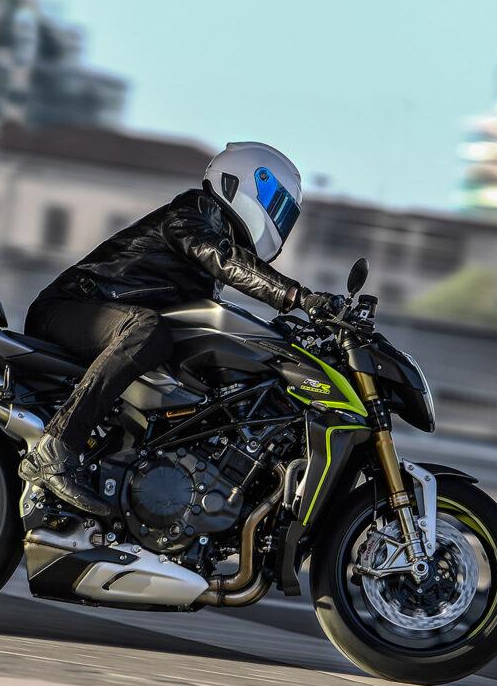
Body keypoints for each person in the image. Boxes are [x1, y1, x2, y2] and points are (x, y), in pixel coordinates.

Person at [19, 142, 343, 515]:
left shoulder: (209, 255)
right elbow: (222, 257)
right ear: (242, 182)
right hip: (72, 308)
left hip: (104, 325)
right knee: (147, 330)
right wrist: (296, 296)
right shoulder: (193, 213)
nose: (278, 218)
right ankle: (55, 447)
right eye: (276, 204)